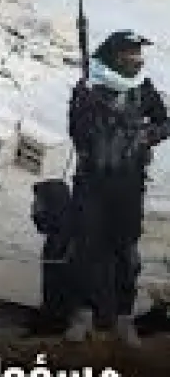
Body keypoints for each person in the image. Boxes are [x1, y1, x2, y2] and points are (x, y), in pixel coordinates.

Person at [64, 30, 170, 347]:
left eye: (139, 54)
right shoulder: (89, 87)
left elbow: (165, 123)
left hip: (129, 184)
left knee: (127, 254)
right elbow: (77, 134)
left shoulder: (143, 89)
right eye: (131, 54)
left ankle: (124, 318)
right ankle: (82, 316)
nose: (138, 60)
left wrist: (146, 135)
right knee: (86, 249)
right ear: (114, 56)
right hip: (92, 183)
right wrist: (86, 104)